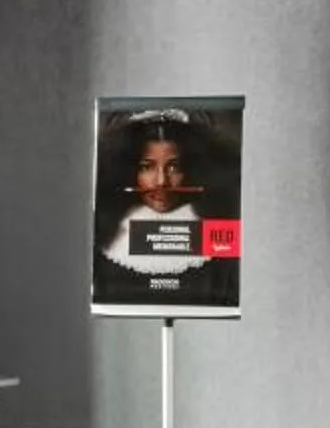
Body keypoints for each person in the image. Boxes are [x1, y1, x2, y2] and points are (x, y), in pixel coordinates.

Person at [93, 111, 238, 310]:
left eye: (173, 167)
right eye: (146, 167)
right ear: (127, 170)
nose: (161, 182)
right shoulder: (105, 239)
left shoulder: (218, 234)